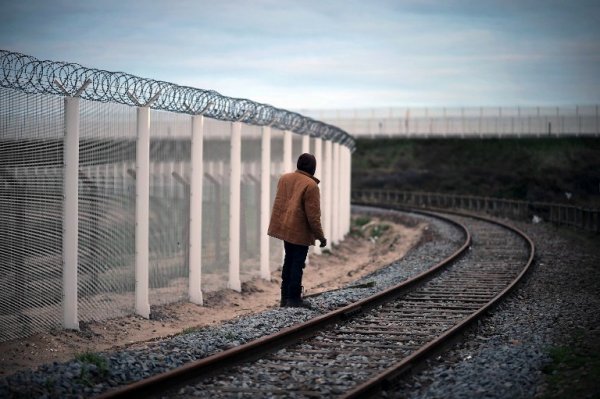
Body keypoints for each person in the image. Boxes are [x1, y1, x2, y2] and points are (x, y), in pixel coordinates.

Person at [268, 153, 327, 308]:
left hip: (285, 227)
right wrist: (321, 237)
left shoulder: (285, 178)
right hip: (300, 231)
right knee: (297, 263)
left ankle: (284, 297)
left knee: (288, 260)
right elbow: (313, 216)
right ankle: (294, 298)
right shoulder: (311, 186)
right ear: (313, 168)